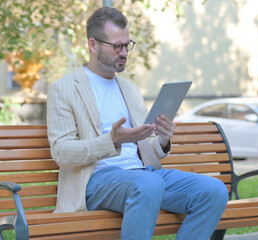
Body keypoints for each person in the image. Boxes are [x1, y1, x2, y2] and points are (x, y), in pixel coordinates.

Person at [47, 7, 228, 240]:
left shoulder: (130, 90)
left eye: (127, 45)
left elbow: (145, 146)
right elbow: (62, 152)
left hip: (142, 175)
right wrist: (111, 141)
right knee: (148, 183)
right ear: (93, 45)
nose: (124, 53)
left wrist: (162, 139)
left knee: (213, 191)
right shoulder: (64, 88)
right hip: (94, 181)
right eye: (116, 46)